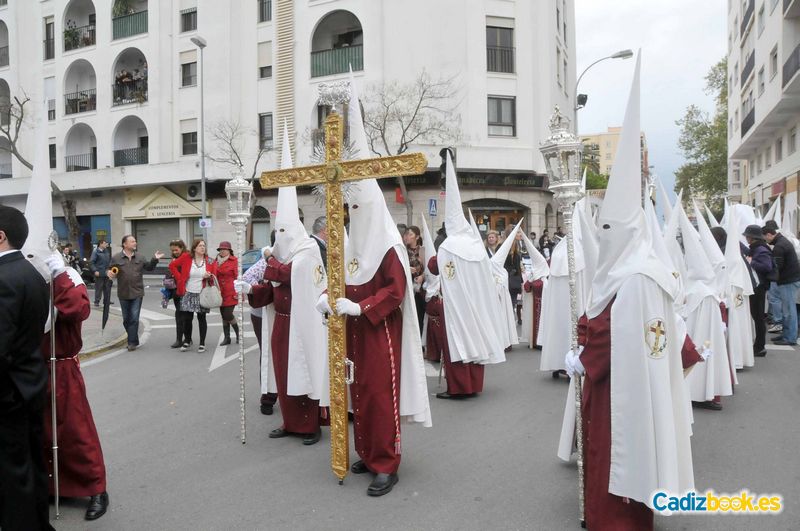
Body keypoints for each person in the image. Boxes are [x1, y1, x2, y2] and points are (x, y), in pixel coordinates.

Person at [566, 60, 694, 530]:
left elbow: (616, 333)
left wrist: (585, 353)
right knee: (611, 452)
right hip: (619, 382)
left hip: (623, 387)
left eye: (608, 228)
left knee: (618, 452)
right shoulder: (634, 268)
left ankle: (616, 523)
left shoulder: (638, 274)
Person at [316, 82, 431, 497]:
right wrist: (328, 300)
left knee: (382, 397)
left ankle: (388, 462)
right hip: (354, 332)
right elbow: (342, 280)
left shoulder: (388, 246)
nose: (356, 214)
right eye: (353, 208)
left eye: (362, 208)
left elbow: (396, 293)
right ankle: (367, 449)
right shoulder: (352, 245)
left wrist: (359, 306)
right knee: (358, 392)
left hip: (380, 332)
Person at [236, 147, 328, 445]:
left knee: (305, 371)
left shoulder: (308, 250)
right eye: (278, 231)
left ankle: (310, 424)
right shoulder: (280, 252)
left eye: (285, 230)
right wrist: (251, 289)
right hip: (282, 323)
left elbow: (290, 275)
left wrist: (270, 261)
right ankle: (290, 422)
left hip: (304, 323)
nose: (281, 237)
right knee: (283, 374)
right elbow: (271, 286)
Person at [40, 250, 109, 521]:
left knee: (76, 429)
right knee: (43, 431)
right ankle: (53, 484)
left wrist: (60, 275)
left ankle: (96, 488)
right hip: (35, 365)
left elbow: (79, 308)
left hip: (62, 366)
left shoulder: (68, 276)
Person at [432, 152, 505, 399]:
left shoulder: (448, 246)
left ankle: (460, 387)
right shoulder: (476, 245)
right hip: (477, 304)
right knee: (475, 340)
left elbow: (436, 268)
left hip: (457, 305)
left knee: (458, 344)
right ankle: (474, 384)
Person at [0, 206, 54, 531]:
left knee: (13, 473)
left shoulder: (4, 278)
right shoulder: (33, 273)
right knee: (33, 464)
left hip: (7, 392)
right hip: (30, 384)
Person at [107, 235, 162, 351]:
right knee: (126, 319)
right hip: (123, 292)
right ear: (125, 244)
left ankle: (131, 342)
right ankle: (134, 339)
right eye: (132, 241)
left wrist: (155, 259)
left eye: (135, 241)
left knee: (134, 318)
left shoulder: (140, 257)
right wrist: (109, 273)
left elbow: (149, 268)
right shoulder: (116, 258)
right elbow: (110, 269)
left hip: (137, 292)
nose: (135, 243)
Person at [242, 253, 278, 415]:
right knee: (267, 353)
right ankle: (268, 396)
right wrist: (260, 289)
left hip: (283, 313)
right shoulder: (266, 262)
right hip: (262, 313)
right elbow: (246, 277)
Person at [169, 239, 212, 352]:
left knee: (201, 318)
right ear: (194, 248)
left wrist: (209, 276)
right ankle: (187, 341)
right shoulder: (186, 257)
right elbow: (172, 266)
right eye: (200, 246)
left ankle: (202, 343)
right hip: (188, 292)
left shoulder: (209, 260)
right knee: (187, 319)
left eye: (204, 245)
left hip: (202, 293)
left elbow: (214, 276)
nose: (202, 248)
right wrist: (180, 279)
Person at [762, 223, 800, 345]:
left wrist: (768, 277)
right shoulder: (782, 242)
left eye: (765, 238)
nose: (766, 241)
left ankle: (790, 338)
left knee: (789, 310)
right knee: (787, 310)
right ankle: (786, 335)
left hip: (787, 281)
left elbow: (777, 267)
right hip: (790, 280)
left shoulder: (779, 246)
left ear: (769, 235)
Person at [744, 225, 773, 356]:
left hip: (759, 287)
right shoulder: (757, 248)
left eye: (747, 236)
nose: (746, 238)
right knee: (757, 316)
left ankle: (760, 347)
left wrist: (751, 262)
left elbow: (767, 266)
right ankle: (759, 346)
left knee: (758, 317)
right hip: (758, 286)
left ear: (752, 237)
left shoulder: (760, 249)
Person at [209, 241, 240, 346]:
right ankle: (227, 338)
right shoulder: (215, 261)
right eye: (220, 249)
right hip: (219, 292)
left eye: (224, 249)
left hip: (231, 291)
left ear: (229, 251)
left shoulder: (234, 261)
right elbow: (213, 275)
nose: (222, 251)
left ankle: (238, 334)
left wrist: (238, 292)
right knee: (223, 315)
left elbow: (238, 277)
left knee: (227, 314)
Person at [167, 240, 191, 349]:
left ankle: (186, 338)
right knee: (179, 315)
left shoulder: (187, 257)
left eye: (176, 250)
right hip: (176, 290)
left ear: (182, 248)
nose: (174, 252)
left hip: (186, 289)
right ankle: (180, 339)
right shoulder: (174, 259)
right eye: (172, 250)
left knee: (185, 316)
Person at [89, 239, 113, 307]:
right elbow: (91, 262)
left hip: (107, 272)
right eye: (105, 243)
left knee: (107, 287)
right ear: (101, 244)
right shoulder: (96, 252)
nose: (106, 245)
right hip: (99, 272)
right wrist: (95, 270)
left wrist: (110, 269)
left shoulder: (107, 251)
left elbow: (109, 261)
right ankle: (97, 301)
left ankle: (107, 300)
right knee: (99, 288)